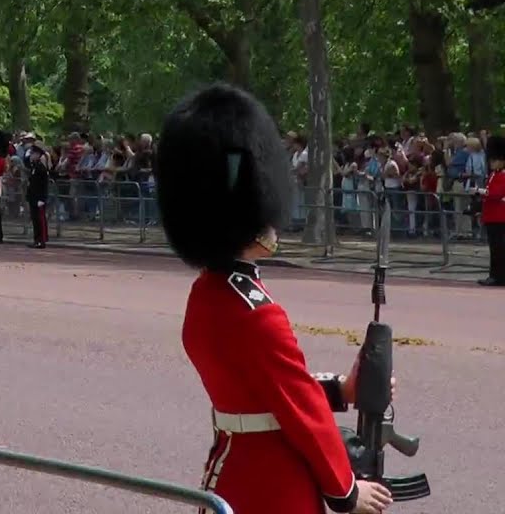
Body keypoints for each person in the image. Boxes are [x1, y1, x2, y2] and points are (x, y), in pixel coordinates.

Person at [155, 83, 394, 514]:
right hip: (276, 490)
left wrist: (343, 389)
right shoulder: (255, 313)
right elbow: (298, 410)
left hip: (230, 475)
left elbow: (267, 391)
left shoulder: (208, 295)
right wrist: (346, 492)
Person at [476, 135, 505, 287]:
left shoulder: (502, 175)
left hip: (499, 217)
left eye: (494, 160)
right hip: (492, 216)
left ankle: (497, 276)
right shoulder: (494, 174)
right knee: (496, 249)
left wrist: (480, 192)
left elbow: (496, 194)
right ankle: (496, 275)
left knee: (498, 249)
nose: (491, 162)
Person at [25, 144, 50, 249]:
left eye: (33, 153)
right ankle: (37, 239)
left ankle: (42, 240)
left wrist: (42, 199)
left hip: (39, 197)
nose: (31, 155)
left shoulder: (41, 168)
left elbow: (44, 185)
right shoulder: (34, 166)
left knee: (40, 220)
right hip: (33, 197)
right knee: (35, 219)